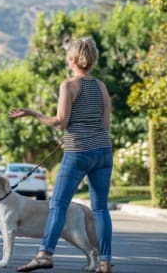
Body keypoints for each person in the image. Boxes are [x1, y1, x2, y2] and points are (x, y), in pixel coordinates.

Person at [8, 37, 113, 273]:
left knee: (58, 204)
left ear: (73, 59)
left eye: (68, 56)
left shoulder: (69, 85)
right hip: (103, 151)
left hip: (78, 152)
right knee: (100, 209)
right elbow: (105, 125)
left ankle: (45, 254)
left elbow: (60, 122)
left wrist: (32, 113)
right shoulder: (102, 87)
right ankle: (105, 262)